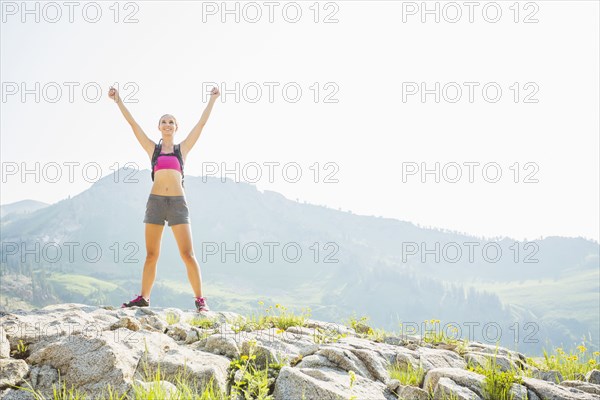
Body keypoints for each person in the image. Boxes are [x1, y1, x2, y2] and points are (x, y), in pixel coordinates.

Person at [108, 85, 220, 313]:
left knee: (188, 254)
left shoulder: (182, 149)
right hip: (156, 203)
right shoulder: (153, 150)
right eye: (164, 122)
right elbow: (133, 125)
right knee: (151, 255)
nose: (167, 124)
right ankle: (144, 298)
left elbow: (201, 124)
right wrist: (118, 100)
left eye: (171, 122)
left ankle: (200, 300)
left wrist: (212, 99)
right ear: (159, 127)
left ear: (176, 127)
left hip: (178, 203)